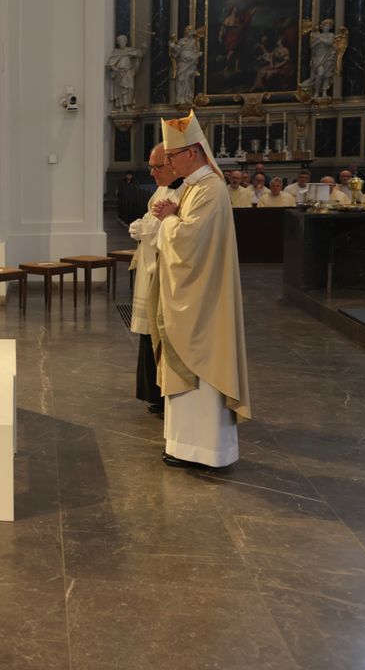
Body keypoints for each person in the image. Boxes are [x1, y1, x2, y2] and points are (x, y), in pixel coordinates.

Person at [152, 111, 252, 469]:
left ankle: (205, 451)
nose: (168, 163)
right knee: (187, 371)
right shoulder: (195, 187)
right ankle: (184, 446)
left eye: (172, 157)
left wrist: (168, 219)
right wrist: (174, 213)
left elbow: (189, 241)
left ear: (192, 152)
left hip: (203, 302)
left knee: (202, 368)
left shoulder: (209, 188)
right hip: (195, 294)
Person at [128, 143, 179, 416]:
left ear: (173, 164)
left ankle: (161, 392)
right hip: (149, 265)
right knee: (148, 331)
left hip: (163, 268)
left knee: (158, 328)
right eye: (151, 166)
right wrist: (142, 226)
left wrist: (142, 227)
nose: (152, 172)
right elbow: (151, 219)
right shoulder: (163, 189)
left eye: (157, 166)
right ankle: (151, 392)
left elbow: (160, 226)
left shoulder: (184, 191)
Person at [106, 35, 142, 112]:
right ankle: (121, 107)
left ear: (126, 41)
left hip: (128, 72)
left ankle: (127, 105)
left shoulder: (130, 50)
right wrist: (114, 68)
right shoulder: (116, 52)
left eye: (122, 41)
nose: (121, 42)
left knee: (130, 88)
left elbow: (139, 53)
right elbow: (109, 65)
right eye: (119, 41)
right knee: (121, 91)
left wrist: (132, 53)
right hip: (119, 73)